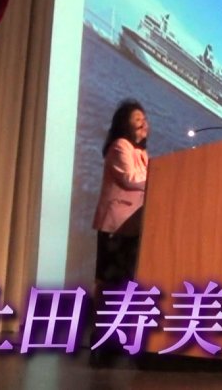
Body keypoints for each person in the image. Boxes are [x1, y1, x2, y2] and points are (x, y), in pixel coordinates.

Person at [89, 99, 149, 367]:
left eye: (145, 119)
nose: (144, 124)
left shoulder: (141, 152)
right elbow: (129, 179)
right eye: (138, 119)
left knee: (125, 285)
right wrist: (158, 176)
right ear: (125, 123)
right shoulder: (119, 147)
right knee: (109, 284)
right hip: (115, 227)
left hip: (132, 227)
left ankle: (117, 339)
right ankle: (102, 342)